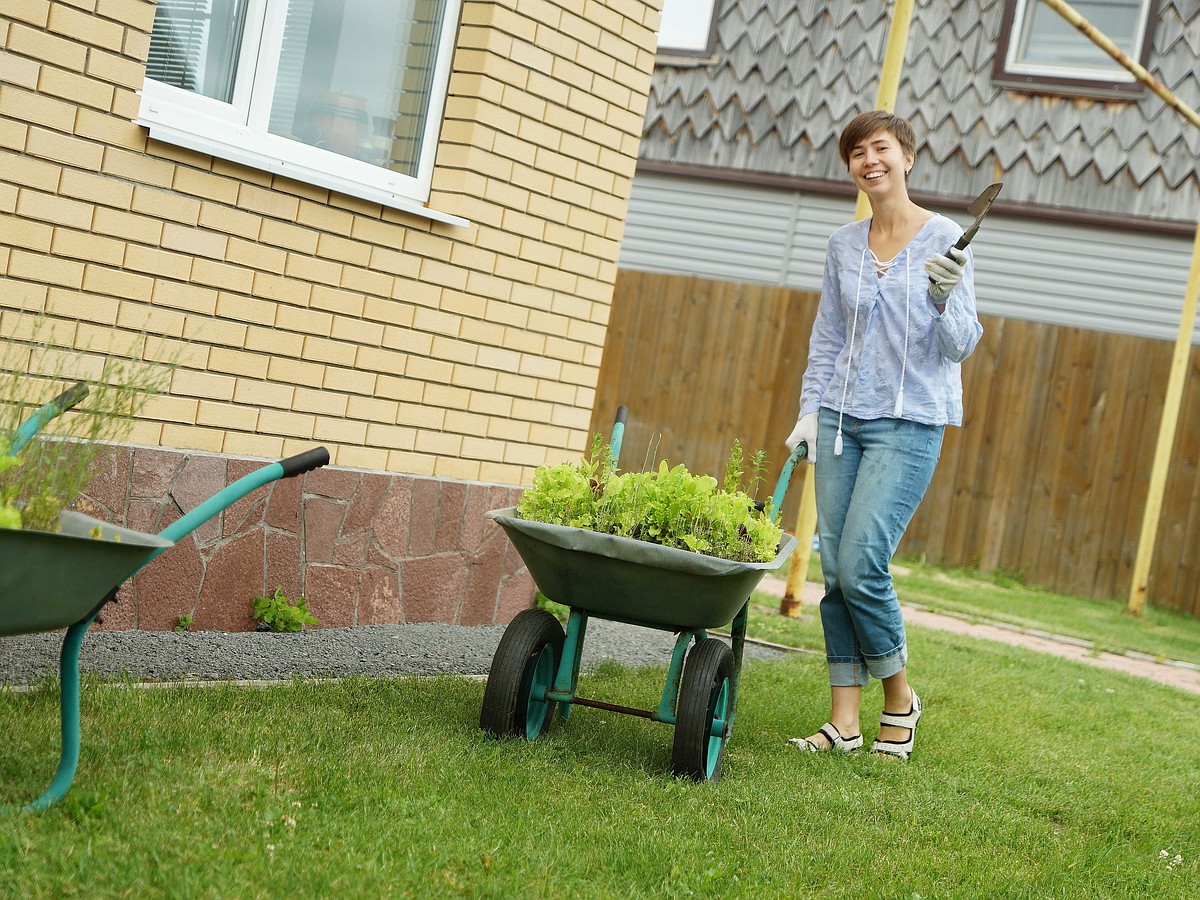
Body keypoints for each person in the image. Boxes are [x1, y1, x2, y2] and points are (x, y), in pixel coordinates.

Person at [784, 109, 983, 760]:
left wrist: (941, 298)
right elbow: (828, 338)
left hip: (911, 422)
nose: (869, 161)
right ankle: (843, 722)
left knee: (862, 563)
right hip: (842, 421)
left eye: (881, 149)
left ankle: (900, 699)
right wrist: (811, 410)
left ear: (907, 158)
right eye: (857, 153)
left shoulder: (946, 235)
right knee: (835, 571)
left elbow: (960, 345)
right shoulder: (843, 245)